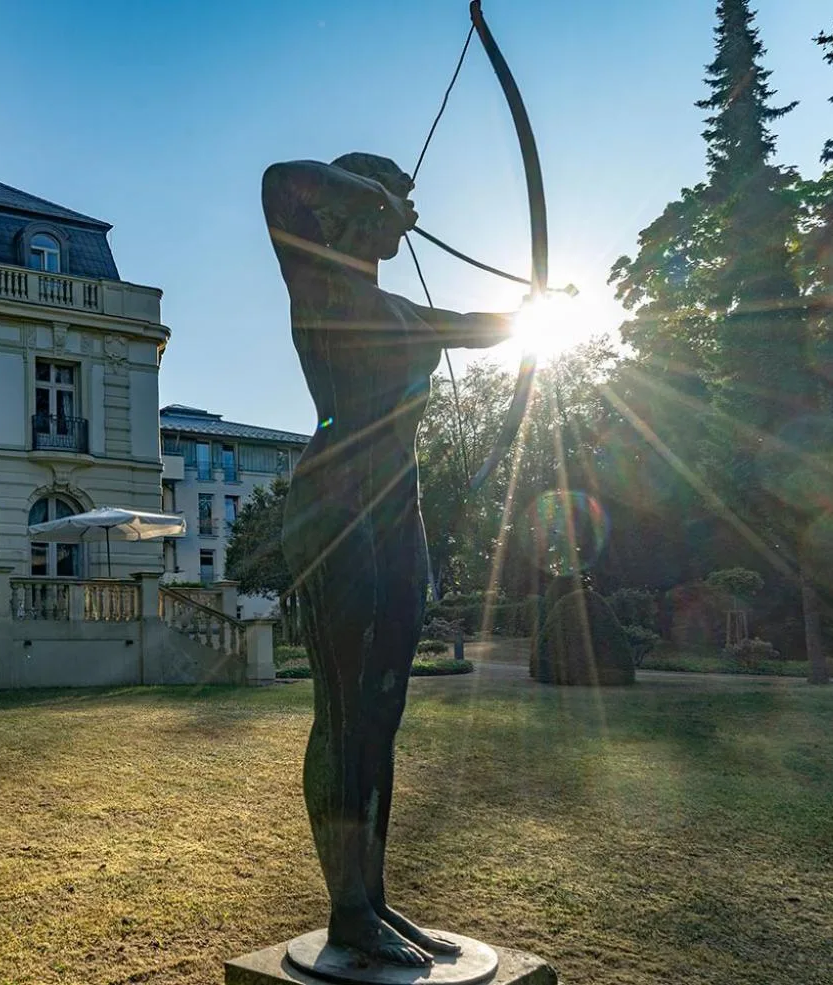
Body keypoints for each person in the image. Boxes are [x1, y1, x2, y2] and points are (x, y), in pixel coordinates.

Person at [262, 153, 514, 968]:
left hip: (395, 507)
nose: (404, 213)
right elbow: (279, 180)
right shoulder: (316, 281)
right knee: (340, 709)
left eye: (406, 200)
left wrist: (537, 310)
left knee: (383, 709)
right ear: (348, 210)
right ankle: (344, 911)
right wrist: (360, 190)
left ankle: (370, 897)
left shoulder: (406, 313)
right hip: (334, 503)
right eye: (390, 199)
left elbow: (483, 326)